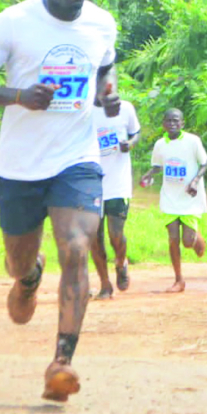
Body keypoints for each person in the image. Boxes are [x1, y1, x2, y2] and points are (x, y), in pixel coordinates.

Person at [0, 0, 118, 402]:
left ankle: (61, 362)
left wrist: (106, 96)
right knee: (18, 261)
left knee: (77, 248)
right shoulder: (13, 22)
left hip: (77, 157)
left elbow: (105, 72)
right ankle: (29, 277)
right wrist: (17, 96)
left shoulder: (101, 22)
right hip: (20, 166)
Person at [139, 109, 207, 293]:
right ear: (163, 124)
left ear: (182, 123)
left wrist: (195, 181)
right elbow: (157, 166)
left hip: (189, 196)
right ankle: (179, 280)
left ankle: (196, 236)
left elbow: (205, 163)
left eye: (176, 121)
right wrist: (148, 175)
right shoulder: (160, 144)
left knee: (187, 241)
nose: (172, 124)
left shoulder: (193, 141)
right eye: (168, 121)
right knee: (173, 238)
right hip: (169, 197)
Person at [91, 95, 141, 300]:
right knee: (94, 237)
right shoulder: (83, 111)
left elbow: (135, 133)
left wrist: (130, 144)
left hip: (118, 184)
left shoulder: (125, 108)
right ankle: (104, 284)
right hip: (91, 184)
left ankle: (121, 262)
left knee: (115, 234)